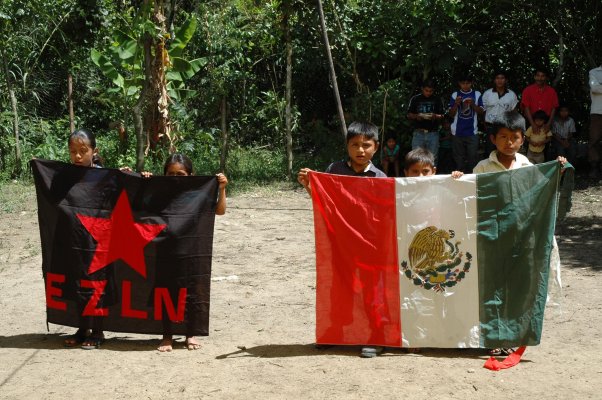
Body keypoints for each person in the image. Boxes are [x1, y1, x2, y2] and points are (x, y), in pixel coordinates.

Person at [298, 121, 386, 358]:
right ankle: (335, 333)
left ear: (375, 147)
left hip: (369, 245)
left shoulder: (380, 177)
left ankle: (375, 336)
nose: (360, 150)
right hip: (339, 242)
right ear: (347, 146)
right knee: (338, 287)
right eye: (355, 145)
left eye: (366, 145)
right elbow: (323, 201)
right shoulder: (334, 170)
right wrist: (310, 185)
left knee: (371, 292)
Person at [136, 153, 228, 351]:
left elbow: (219, 211)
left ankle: (190, 334)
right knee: (165, 292)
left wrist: (221, 189)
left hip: (193, 252)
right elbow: (138, 207)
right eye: (170, 174)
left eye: (181, 174)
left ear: (191, 175)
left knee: (193, 292)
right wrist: (144, 183)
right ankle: (167, 335)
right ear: (164, 175)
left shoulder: (198, 194)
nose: (175, 177)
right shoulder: (158, 194)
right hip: (164, 251)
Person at [63, 129, 107, 349]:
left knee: (96, 284)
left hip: (99, 241)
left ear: (94, 151)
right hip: (75, 239)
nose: (78, 156)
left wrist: (134, 176)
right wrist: (41, 169)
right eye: (73, 152)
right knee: (77, 283)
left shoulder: (105, 175)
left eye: (83, 151)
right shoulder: (66, 175)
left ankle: (98, 331)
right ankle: (82, 328)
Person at [448, 74, 485, 173]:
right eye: (463, 83)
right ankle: (459, 178)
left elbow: (481, 112)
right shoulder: (455, 94)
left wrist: (472, 104)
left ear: (471, 83)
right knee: (458, 159)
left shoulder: (477, 94)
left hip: (472, 132)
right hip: (457, 132)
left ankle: (471, 177)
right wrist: (456, 104)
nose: (465, 85)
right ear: (459, 83)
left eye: (467, 83)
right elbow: (451, 114)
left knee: (472, 157)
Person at [407, 79, 446, 164]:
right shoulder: (415, 99)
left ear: (433, 90)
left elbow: (443, 115)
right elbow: (408, 114)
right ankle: (417, 176)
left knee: (433, 158)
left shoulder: (437, 99)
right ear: (422, 89)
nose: (428, 93)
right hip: (418, 132)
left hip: (433, 133)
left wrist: (435, 116)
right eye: (426, 90)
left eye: (430, 91)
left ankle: (431, 176)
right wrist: (416, 116)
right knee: (416, 157)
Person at [482, 71, 519, 157]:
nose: (500, 80)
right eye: (497, 78)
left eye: (502, 78)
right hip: (490, 126)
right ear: (494, 80)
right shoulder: (487, 93)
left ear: (506, 80)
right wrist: (485, 124)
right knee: (489, 151)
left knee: (503, 150)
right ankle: (490, 170)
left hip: (504, 127)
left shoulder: (511, 94)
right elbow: (483, 111)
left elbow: (514, 111)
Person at [521, 67, 559, 135]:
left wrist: (548, 124)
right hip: (530, 119)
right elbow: (526, 107)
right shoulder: (527, 90)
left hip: (546, 121)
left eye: (542, 76)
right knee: (530, 141)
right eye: (538, 75)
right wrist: (532, 124)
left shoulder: (551, 91)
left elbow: (554, 108)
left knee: (545, 142)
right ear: (535, 77)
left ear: (546, 78)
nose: (540, 78)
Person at [588, 64, 602, 179]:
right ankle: (594, 167)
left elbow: (599, 88)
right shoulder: (594, 72)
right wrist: (598, 86)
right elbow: (595, 88)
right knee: (594, 139)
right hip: (597, 111)